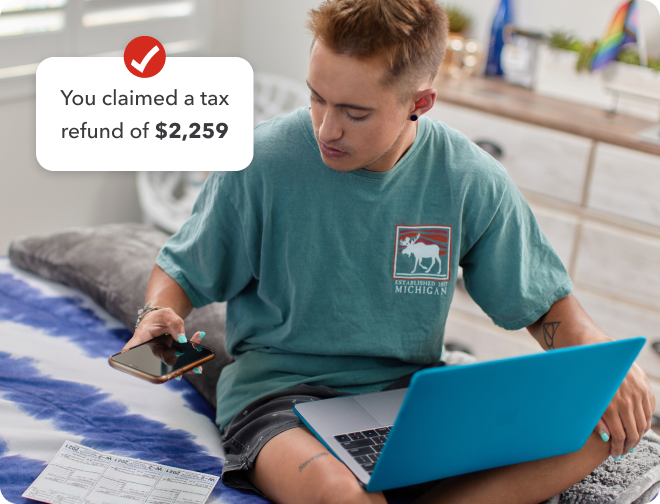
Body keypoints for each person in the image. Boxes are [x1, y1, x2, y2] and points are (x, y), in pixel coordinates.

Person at [123, 1, 656, 502]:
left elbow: (546, 308)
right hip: (281, 399)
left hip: (413, 399)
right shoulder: (261, 159)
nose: (326, 128)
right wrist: (157, 315)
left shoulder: (469, 178)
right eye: (316, 97)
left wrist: (605, 362)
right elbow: (183, 270)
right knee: (338, 493)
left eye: (354, 112)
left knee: (600, 427)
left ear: (419, 102)